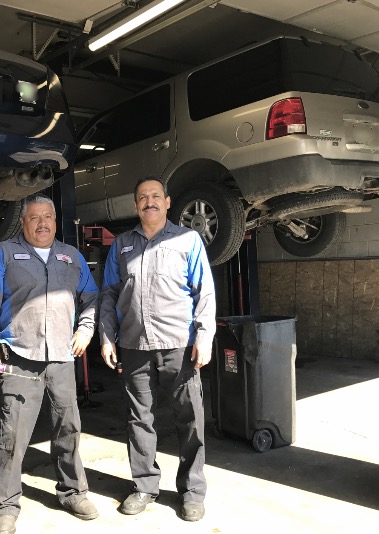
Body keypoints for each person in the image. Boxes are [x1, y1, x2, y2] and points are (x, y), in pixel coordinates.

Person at [0, 194, 100, 534]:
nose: (42, 223)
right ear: (22, 222)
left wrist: (86, 329)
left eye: (48, 217)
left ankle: (73, 492)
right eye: (35, 217)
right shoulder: (3, 253)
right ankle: (5, 504)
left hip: (62, 356)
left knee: (68, 428)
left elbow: (91, 295)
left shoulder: (71, 256)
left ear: (56, 222)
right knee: (13, 434)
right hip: (19, 356)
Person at [98, 176, 216, 522]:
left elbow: (204, 291)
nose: (148, 202)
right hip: (134, 344)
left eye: (155, 196)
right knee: (139, 419)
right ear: (136, 205)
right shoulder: (121, 244)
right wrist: (106, 336)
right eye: (142, 197)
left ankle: (192, 491)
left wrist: (204, 337)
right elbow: (109, 293)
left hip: (179, 344)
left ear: (167, 202)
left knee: (189, 419)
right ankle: (144, 486)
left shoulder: (187, 239)